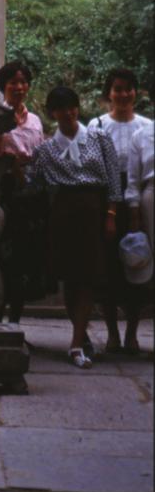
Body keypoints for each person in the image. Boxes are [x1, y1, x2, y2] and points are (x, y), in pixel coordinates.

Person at [26, 86, 122, 369]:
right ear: (52, 113)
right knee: (69, 276)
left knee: (89, 275)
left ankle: (77, 343)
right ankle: (80, 336)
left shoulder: (99, 138)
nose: (68, 113)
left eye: (72, 107)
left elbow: (114, 180)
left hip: (92, 209)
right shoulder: (45, 149)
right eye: (61, 109)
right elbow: (36, 184)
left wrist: (111, 214)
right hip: (63, 213)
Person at [88, 68, 151, 355]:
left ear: (136, 92)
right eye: (117, 89)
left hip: (137, 204)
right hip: (105, 203)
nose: (123, 94)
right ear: (108, 93)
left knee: (138, 264)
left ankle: (132, 333)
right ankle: (112, 333)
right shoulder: (97, 126)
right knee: (108, 268)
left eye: (128, 89)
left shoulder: (147, 127)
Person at [0, 61, 46, 322]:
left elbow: (40, 155)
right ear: (3, 87)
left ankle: (16, 320)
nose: (19, 87)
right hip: (3, 191)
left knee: (25, 257)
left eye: (22, 82)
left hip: (30, 193)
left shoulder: (35, 121)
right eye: (13, 83)